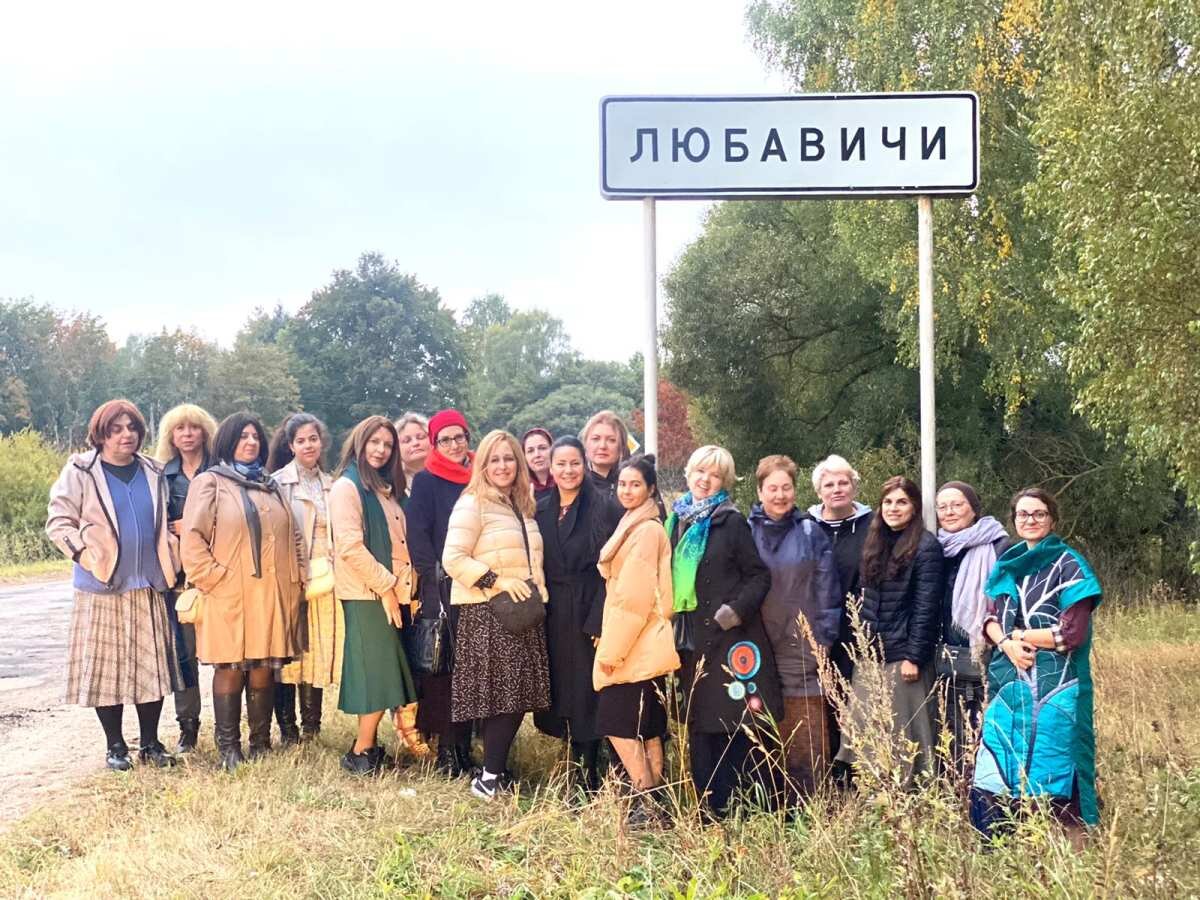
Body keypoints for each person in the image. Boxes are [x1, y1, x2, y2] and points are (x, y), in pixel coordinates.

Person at [47, 399, 183, 770]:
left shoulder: (154, 471)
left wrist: (173, 547)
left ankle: (152, 744)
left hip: (148, 584)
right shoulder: (81, 470)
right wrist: (85, 556)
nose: (126, 435)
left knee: (150, 671)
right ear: (101, 434)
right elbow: (58, 522)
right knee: (106, 672)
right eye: (117, 429)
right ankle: (116, 746)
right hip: (102, 586)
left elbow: (165, 522)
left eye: (132, 428)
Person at [972, 488, 1102, 845]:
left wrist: (1018, 634)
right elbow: (987, 619)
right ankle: (1000, 847)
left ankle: (1058, 848)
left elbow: (1070, 634)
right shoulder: (1009, 563)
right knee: (997, 762)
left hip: (1056, 685)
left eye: (1039, 514)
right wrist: (1007, 643)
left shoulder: (1069, 563)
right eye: (1023, 515)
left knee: (1052, 759)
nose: (1030, 520)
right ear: (1014, 520)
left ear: (1052, 520)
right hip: (1007, 683)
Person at [180, 411, 304, 772]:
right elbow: (192, 537)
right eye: (243, 436)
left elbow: (293, 535)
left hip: (272, 592)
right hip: (228, 593)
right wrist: (213, 578)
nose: (251, 442)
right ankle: (229, 748)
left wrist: (294, 580)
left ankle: (260, 742)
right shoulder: (211, 482)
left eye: (256, 437)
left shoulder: (271, 484)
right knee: (231, 665)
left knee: (264, 665)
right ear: (228, 441)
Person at [668, 445, 780, 818]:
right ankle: (706, 808)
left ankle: (738, 807)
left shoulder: (729, 521)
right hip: (688, 639)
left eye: (714, 475)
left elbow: (758, 575)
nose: (705, 479)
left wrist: (731, 613)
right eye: (700, 471)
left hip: (727, 639)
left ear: (724, 482)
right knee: (699, 722)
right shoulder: (676, 519)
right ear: (688, 473)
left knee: (731, 724)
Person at [443, 429, 551, 801]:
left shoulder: (521, 503)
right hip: (489, 611)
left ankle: (495, 771)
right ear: (482, 465)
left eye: (509, 459)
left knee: (516, 696)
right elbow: (452, 558)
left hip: (523, 612)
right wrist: (495, 581)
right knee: (505, 697)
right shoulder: (473, 502)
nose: (503, 466)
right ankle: (489, 779)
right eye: (495, 460)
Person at [329, 416, 424, 774]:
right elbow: (350, 548)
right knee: (375, 669)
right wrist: (385, 587)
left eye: (387, 445)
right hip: (367, 592)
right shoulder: (347, 487)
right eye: (375, 442)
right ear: (359, 442)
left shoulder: (384, 488)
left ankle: (367, 747)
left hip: (392, 589)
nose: (381, 450)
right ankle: (362, 751)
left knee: (384, 669)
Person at [835, 476, 942, 786]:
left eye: (902, 502)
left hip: (903, 658)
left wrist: (914, 656)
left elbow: (926, 607)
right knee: (870, 727)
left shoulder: (926, 547)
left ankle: (910, 793)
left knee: (905, 732)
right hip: (871, 655)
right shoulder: (875, 542)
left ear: (915, 507)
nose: (894, 508)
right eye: (888, 502)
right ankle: (875, 791)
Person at [748, 455, 840, 798]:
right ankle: (767, 806)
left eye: (786, 487)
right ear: (760, 491)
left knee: (806, 737)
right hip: (757, 650)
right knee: (761, 730)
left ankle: (809, 808)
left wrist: (823, 642)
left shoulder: (811, 532)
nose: (780, 495)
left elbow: (828, 592)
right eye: (772, 488)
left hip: (803, 651)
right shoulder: (745, 531)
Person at [595, 454, 679, 827]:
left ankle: (645, 799)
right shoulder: (638, 524)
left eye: (635, 484)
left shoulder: (645, 531)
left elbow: (633, 601)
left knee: (618, 724)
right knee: (647, 728)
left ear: (651, 489)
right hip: (645, 644)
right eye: (622, 484)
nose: (627, 491)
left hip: (634, 645)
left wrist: (611, 653)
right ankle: (654, 801)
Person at [532, 436, 611, 792]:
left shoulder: (603, 507)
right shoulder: (539, 507)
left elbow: (610, 570)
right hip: (551, 611)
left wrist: (598, 619)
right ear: (550, 467)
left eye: (574, 463)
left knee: (585, 692)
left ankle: (589, 773)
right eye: (561, 464)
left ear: (585, 464)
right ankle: (569, 762)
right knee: (560, 687)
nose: (568, 470)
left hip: (587, 606)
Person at [407, 409, 476, 776]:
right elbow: (418, 535)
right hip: (443, 588)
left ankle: (466, 745)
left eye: (458, 437)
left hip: (477, 586)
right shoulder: (426, 481)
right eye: (444, 439)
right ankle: (447, 750)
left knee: (472, 670)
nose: (453, 445)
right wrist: (433, 581)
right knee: (444, 670)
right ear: (435, 444)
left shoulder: (480, 476)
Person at [268, 413, 340, 744]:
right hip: (290, 576)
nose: (308, 445)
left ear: (321, 441)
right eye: (301, 440)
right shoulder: (277, 483)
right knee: (288, 651)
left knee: (315, 649)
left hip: (326, 577)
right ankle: (287, 728)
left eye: (313, 438)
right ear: (290, 445)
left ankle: (312, 726)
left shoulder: (332, 483)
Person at [153, 402, 217, 753]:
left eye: (194, 427)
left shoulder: (222, 471)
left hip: (220, 575)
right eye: (181, 429)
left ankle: (229, 727)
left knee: (228, 655)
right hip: (180, 577)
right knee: (183, 655)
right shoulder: (163, 476)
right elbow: (153, 524)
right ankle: (188, 728)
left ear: (206, 432)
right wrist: (172, 528)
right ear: (171, 436)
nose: (188, 434)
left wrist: (194, 524)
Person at [934, 481, 1009, 776]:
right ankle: (956, 783)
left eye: (957, 504)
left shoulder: (998, 545)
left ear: (974, 509)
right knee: (949, 724)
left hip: (985, 649)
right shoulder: (937, 547)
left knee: (984, 721)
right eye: (943, 506)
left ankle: (986, 783)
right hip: (944, 653)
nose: (949, 512)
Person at [807, 454, 874, 762]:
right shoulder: (805, 527)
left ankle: (854, 769)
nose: (837, 489)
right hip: (814, 631)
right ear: (819, 491)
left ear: (854, 487)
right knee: (820, 700)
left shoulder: (873, 526)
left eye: (843, 482)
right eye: (829, 484)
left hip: (857, 633)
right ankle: (824, 768)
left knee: (856, 702)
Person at [580, 410, 631, 495]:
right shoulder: (575, 484)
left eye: (611, 440)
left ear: (621, 446)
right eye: (596, 439)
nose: (602, 446)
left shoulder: (634, 484)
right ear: (585, 444)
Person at [395, 412, 431, 496]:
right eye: (406, 441)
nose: (415, 443)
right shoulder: (394, 485)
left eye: (421, 437)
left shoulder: (450, 474)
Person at [523, 427, 556, 497]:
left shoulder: (565, 481)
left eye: (542, 448)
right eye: (530, 451)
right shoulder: (521, 490)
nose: (537, 455)